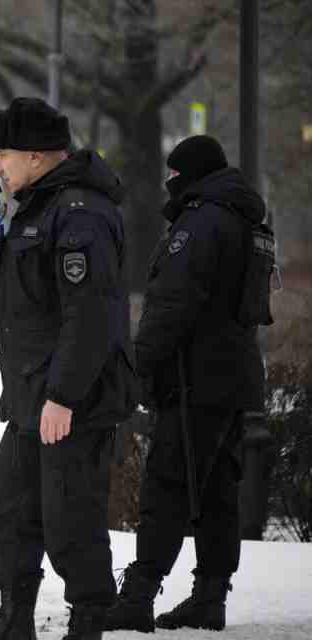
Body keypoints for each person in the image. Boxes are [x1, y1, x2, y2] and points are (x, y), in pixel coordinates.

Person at [0, 97, 135, 640]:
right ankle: (14, 618)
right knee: (7, 505)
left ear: (35, 155)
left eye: (4, 152)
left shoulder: (81, 214)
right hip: (36, 394)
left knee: (70, 520)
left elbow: (91, 314)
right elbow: (23, 295)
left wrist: (65, 396)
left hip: (73, 399)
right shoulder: (38, 207)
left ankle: (90, 621)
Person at [104, 135, 267, 633]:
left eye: (173, 175)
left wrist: (137, 366)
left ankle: (138, 596)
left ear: (188, 174)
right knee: (217, 492)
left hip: (194, 379)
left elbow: (173, 305)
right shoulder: (245, 218)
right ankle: (210, 598)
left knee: (167, 487)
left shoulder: (201, 222)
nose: (167, 185)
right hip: (234, 376)